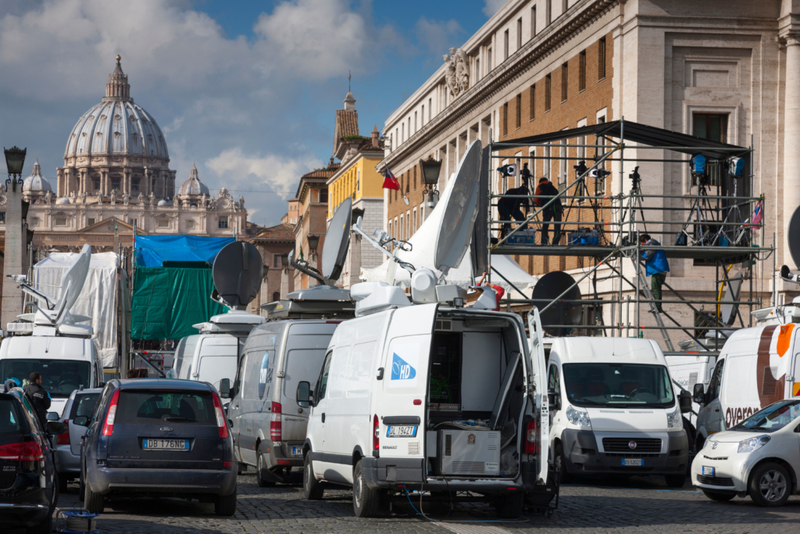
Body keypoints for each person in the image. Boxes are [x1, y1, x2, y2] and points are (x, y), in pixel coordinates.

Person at [497, 165, 530, 239]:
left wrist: (527, 206)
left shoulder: (522, 193)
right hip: (505, 206)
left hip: (514, 209)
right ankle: (505, 237)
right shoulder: (512, 192)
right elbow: (502, 202)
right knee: (507, 222)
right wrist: (502, 214)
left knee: (523, 221)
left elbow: (525, 202)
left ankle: (521, 235)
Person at [640, 233, 669, 312]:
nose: (641, 245)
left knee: (656, 288)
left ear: (645, 240)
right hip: (659, 269)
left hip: (658, 269)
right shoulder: (654, 244)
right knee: (656, 288)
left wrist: (637, 256)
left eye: (641, 243)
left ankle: (658, 307)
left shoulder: (651, 244)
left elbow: (647, 256)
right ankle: (658, 306)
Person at [535, 177, 563, 245]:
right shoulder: (552, 186)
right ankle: (555, 242)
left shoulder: (540, 186)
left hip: (548, 208)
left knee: (545, 226)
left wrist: (540, 204)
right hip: (557, 207)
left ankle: (544, 242)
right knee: (557, 226)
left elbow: (536, 200)